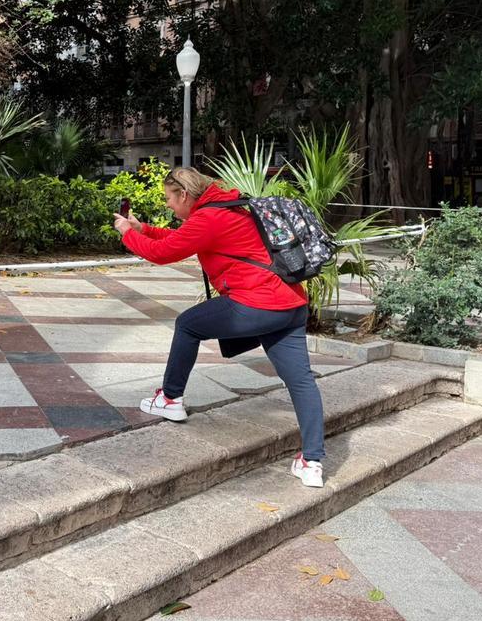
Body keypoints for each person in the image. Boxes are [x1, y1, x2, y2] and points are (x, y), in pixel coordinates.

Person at [113, 167, 327, 488]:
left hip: (255, 303)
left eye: (169, 198)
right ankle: (312, 462)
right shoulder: (230, 206)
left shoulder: (209, 218)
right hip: (291, 303)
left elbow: (162, 253)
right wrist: (142, 227)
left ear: (184, 194)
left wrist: (127, 234)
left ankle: (170, 399)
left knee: (187, 324)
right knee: (301, 382)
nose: (169, 205)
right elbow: (179, 238)